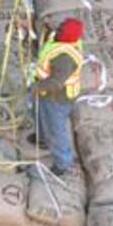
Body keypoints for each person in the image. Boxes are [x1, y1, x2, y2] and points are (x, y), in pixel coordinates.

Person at [29, 18, 84, 176]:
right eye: (59, 28)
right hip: (45, 93)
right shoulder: (62, 40)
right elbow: (50, 36)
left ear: (66, 36)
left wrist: (35, 88)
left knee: (56, 129)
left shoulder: (64, 58)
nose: (57, 31)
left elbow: (56, 82)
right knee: (38, 114)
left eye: (60, 30)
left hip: (56, 99)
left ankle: (63, 162)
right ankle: (42, 138)